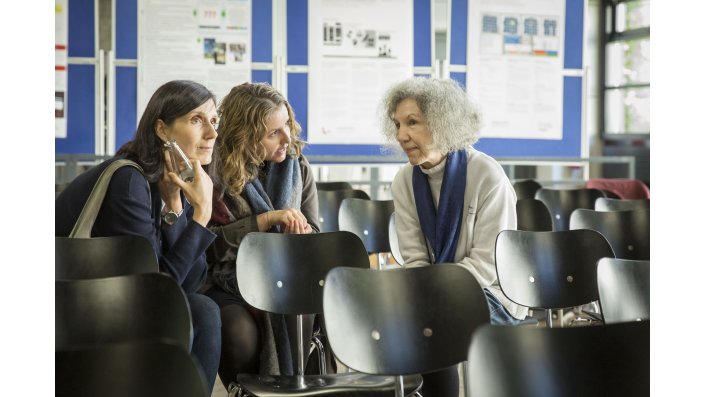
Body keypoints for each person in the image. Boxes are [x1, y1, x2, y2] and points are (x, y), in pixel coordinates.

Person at [55, 80, 222, 395]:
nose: (212, 133)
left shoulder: (172, 183)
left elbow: (188, 284)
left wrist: (176, 208)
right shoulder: (130, 181)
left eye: (214, 121)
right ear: (162, 130)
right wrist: (201, 214)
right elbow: (153, 294)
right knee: (200, 312)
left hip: (120, 303)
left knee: (202, 308)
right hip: (73, 307)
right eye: (197, 120)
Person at [379, 77, 529, 397]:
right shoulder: (404, 180)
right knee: (402, 319)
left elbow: (488, 265)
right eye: (397, 124)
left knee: (432, 324)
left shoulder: (487, 175)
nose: (401, 135)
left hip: (491, 293)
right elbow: (415, 259)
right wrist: (426, 294)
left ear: (444, 123)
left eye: (413, 122)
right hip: (432, 292)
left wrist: (432, 295)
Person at [203, 82, 321, 390]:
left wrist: (303, 233)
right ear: (244, 138)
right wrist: (265, 221)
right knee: (238, 332)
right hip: (227, 279)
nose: (287, 139)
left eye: (287, 126)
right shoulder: (213, 174)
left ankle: (294, 391)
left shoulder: (298, 167)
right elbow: (207, 247)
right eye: (273, 133)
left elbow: (317, 234)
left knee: (302, 310)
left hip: (286, 276)